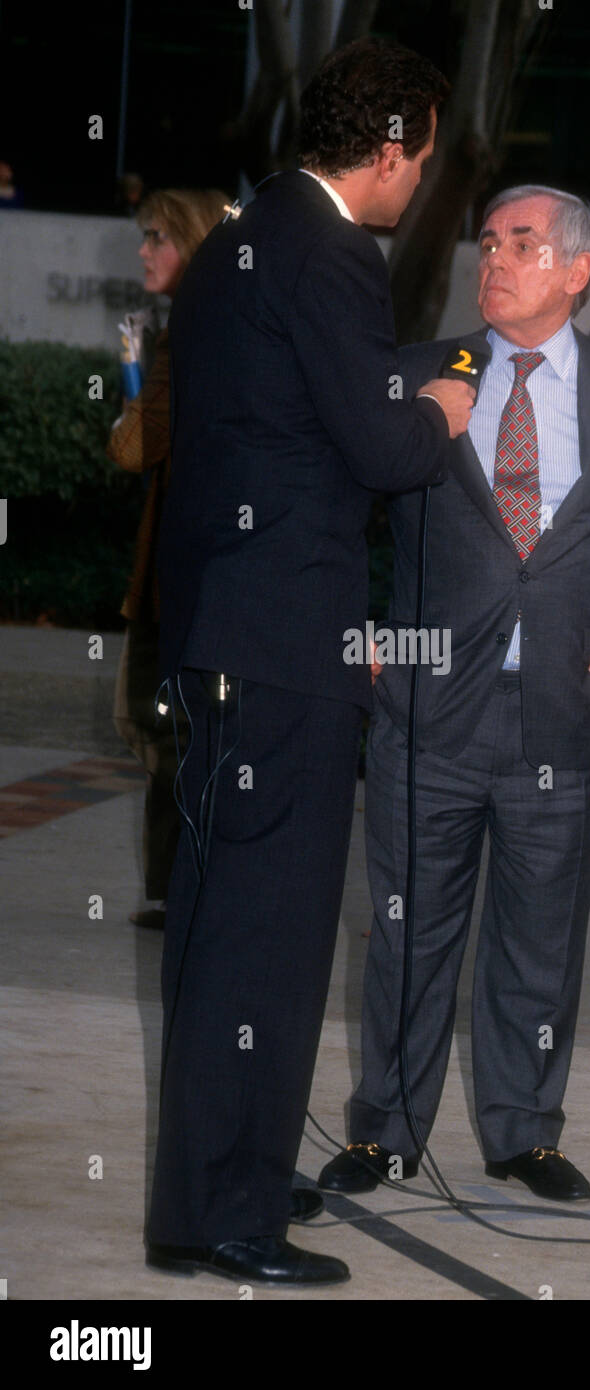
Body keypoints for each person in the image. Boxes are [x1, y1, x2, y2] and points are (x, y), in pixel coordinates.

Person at [318, 184, 590, 1204]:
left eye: (523, 244)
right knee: (411, 934)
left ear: (578, 272)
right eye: (489, 240)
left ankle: (522, 1131)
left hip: (566, 713)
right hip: (428, 713)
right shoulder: (419, 376)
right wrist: (350, 631)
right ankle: (384, 1132)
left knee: (540, 942)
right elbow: (331, 507)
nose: (493, 259)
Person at [146, 38, 476, 1288]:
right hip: (287, 642)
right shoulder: (335, 251)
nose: (426, 180)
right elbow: (384, 450)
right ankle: (224, 1219)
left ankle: (217, 1170)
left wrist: (399, 385)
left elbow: (289, 413)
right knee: (269, 942)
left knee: (218, 933)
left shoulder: (243, 236)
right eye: (426, 157)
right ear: (388, 150)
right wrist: (441, 401)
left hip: (227, 630)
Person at [108, 188, 230, 931]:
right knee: (175, 736)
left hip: (181, 583)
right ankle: (176, 888)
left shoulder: (185, 333)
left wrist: (130, 376)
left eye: (159, 238)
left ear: (193, 242)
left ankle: (176, 888)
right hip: (201, 576)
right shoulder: (227, 327)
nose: (145, 251)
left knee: (161, 733)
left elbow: (132, 447)